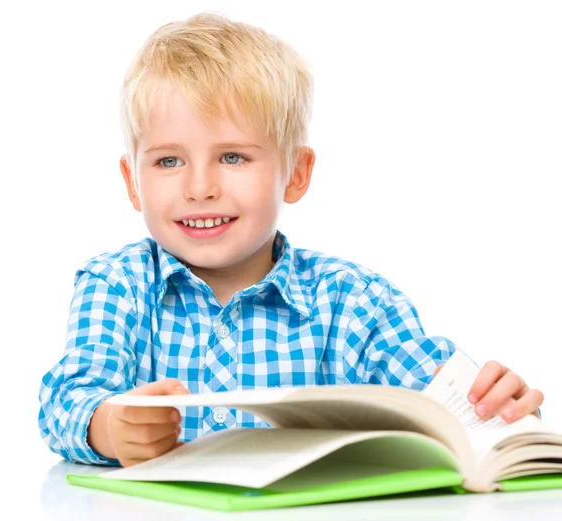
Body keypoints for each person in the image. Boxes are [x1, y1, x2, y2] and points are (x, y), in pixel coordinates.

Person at [38, 12, 544, 468]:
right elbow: (67, 398)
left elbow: (444, 403)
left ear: (296, 174)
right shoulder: (116, 285)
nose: (199, 188)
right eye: (169, 161)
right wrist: (107, 426)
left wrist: (498, 409)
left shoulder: (350, 300)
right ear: (132, 181)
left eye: (233, 157)